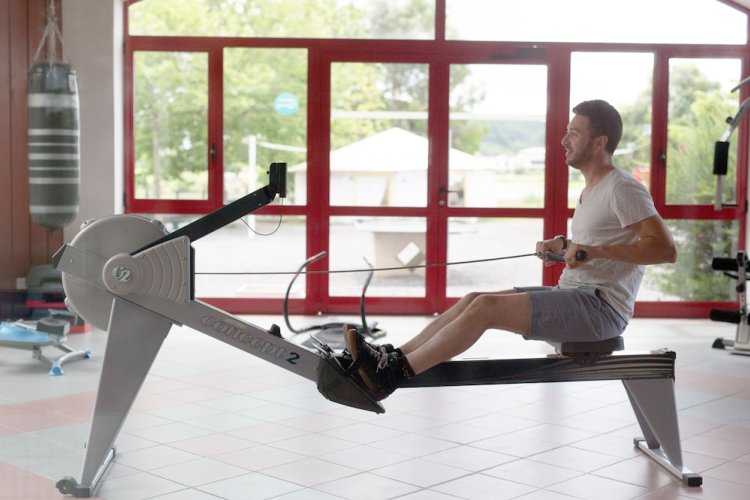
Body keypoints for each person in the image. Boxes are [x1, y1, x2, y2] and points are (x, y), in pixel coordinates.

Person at [344, 99, 677, 401]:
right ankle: (391, 357)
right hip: (575, 294)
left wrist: (595, 250)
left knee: (485, 308)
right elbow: (597, 244)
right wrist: (563, 246)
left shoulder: (623, 188)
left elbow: (664, 249)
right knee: (474, 298)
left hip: (601, 310)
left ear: (600, 143)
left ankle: (390, 376)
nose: (564, 140)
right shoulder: (592, 189)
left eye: (575, 133)